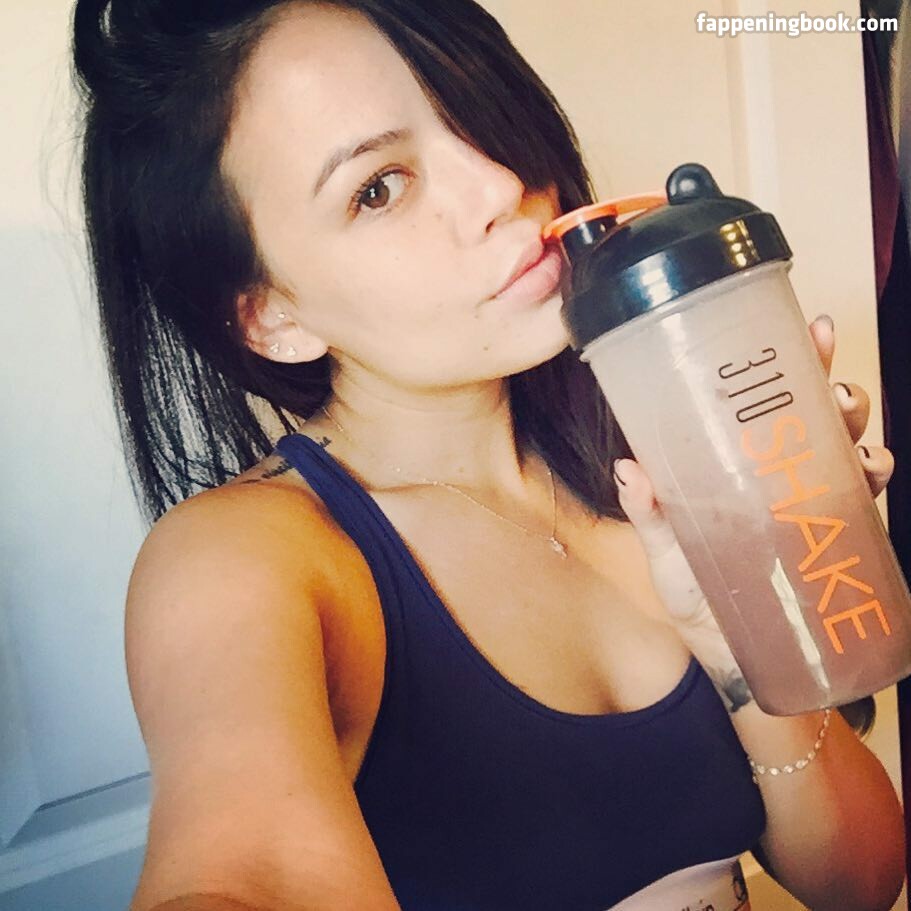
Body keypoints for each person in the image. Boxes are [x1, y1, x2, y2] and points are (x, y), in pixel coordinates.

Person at [71, 1, 906, 909]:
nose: (498, 184)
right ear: (269, 314)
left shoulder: (648, 451)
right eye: (378, 187)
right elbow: (244, 873)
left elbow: (861, 883)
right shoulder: (245, 563)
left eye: (469, 110)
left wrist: (744, 638)